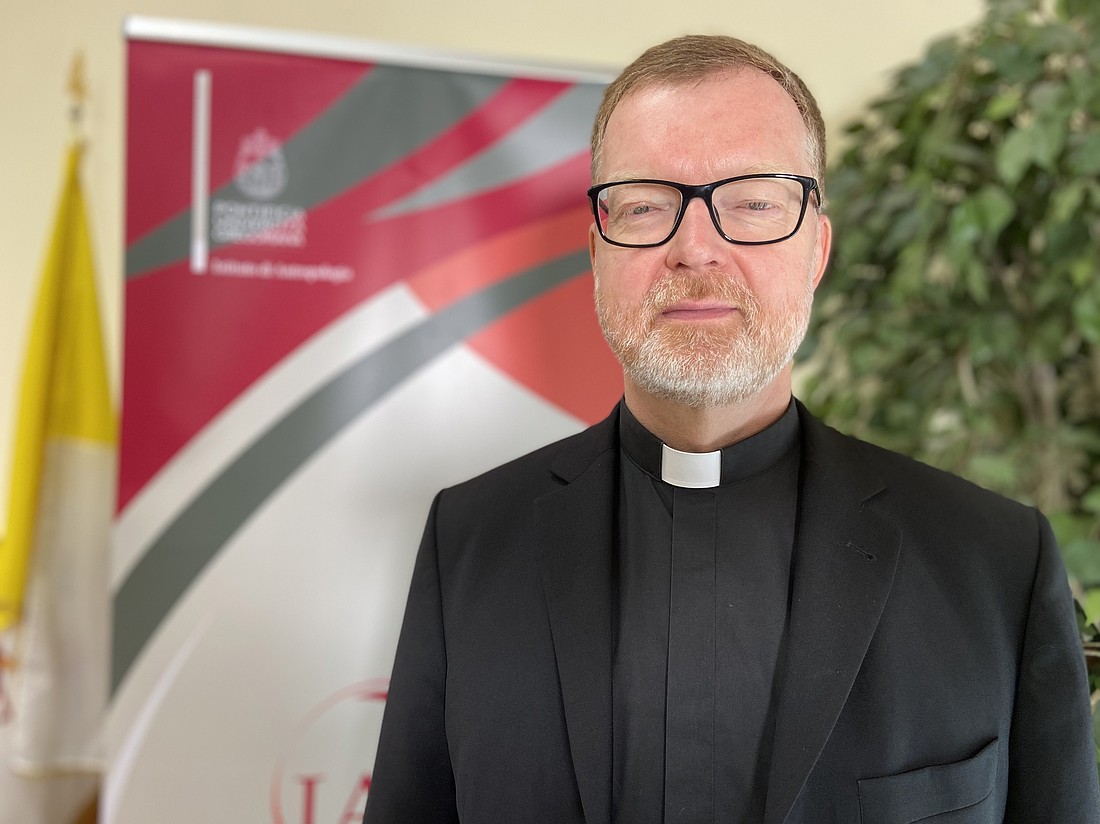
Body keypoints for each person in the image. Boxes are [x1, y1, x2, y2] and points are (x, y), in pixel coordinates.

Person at [363, 35, 1100, 823]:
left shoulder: (995, 564)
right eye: (645, 203)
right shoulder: (471, 539)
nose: (696, 248)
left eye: (753, 200)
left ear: (816, 247)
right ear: (597, 251)